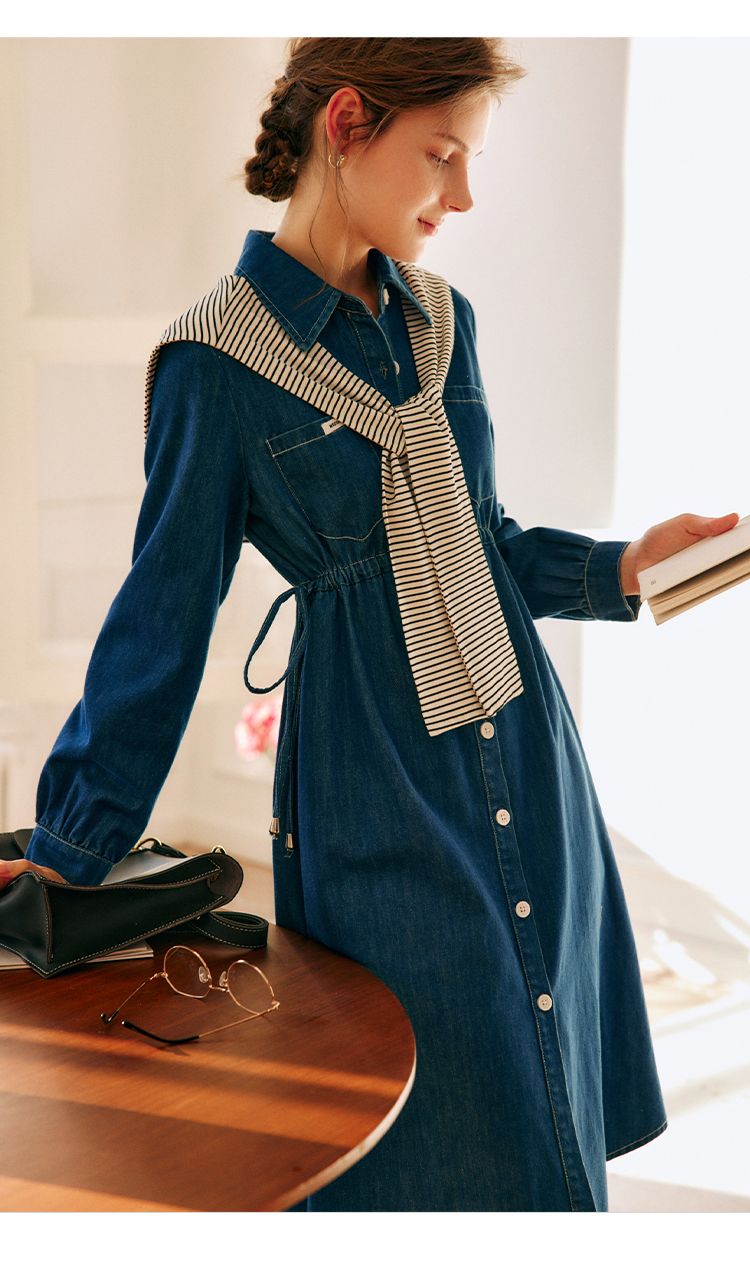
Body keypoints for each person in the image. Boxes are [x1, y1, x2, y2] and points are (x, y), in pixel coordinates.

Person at [0, 37, 739, 1211]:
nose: (464, 196)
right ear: (346, 124)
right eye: (443, 155)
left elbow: (478, 542)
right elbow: (162, 617)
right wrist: (66, 851)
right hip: (373, 778)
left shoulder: (443, 321)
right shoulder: (214, 363)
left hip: (525, 743)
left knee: (547, 1098)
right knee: (436, 1117)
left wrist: (628, 566)